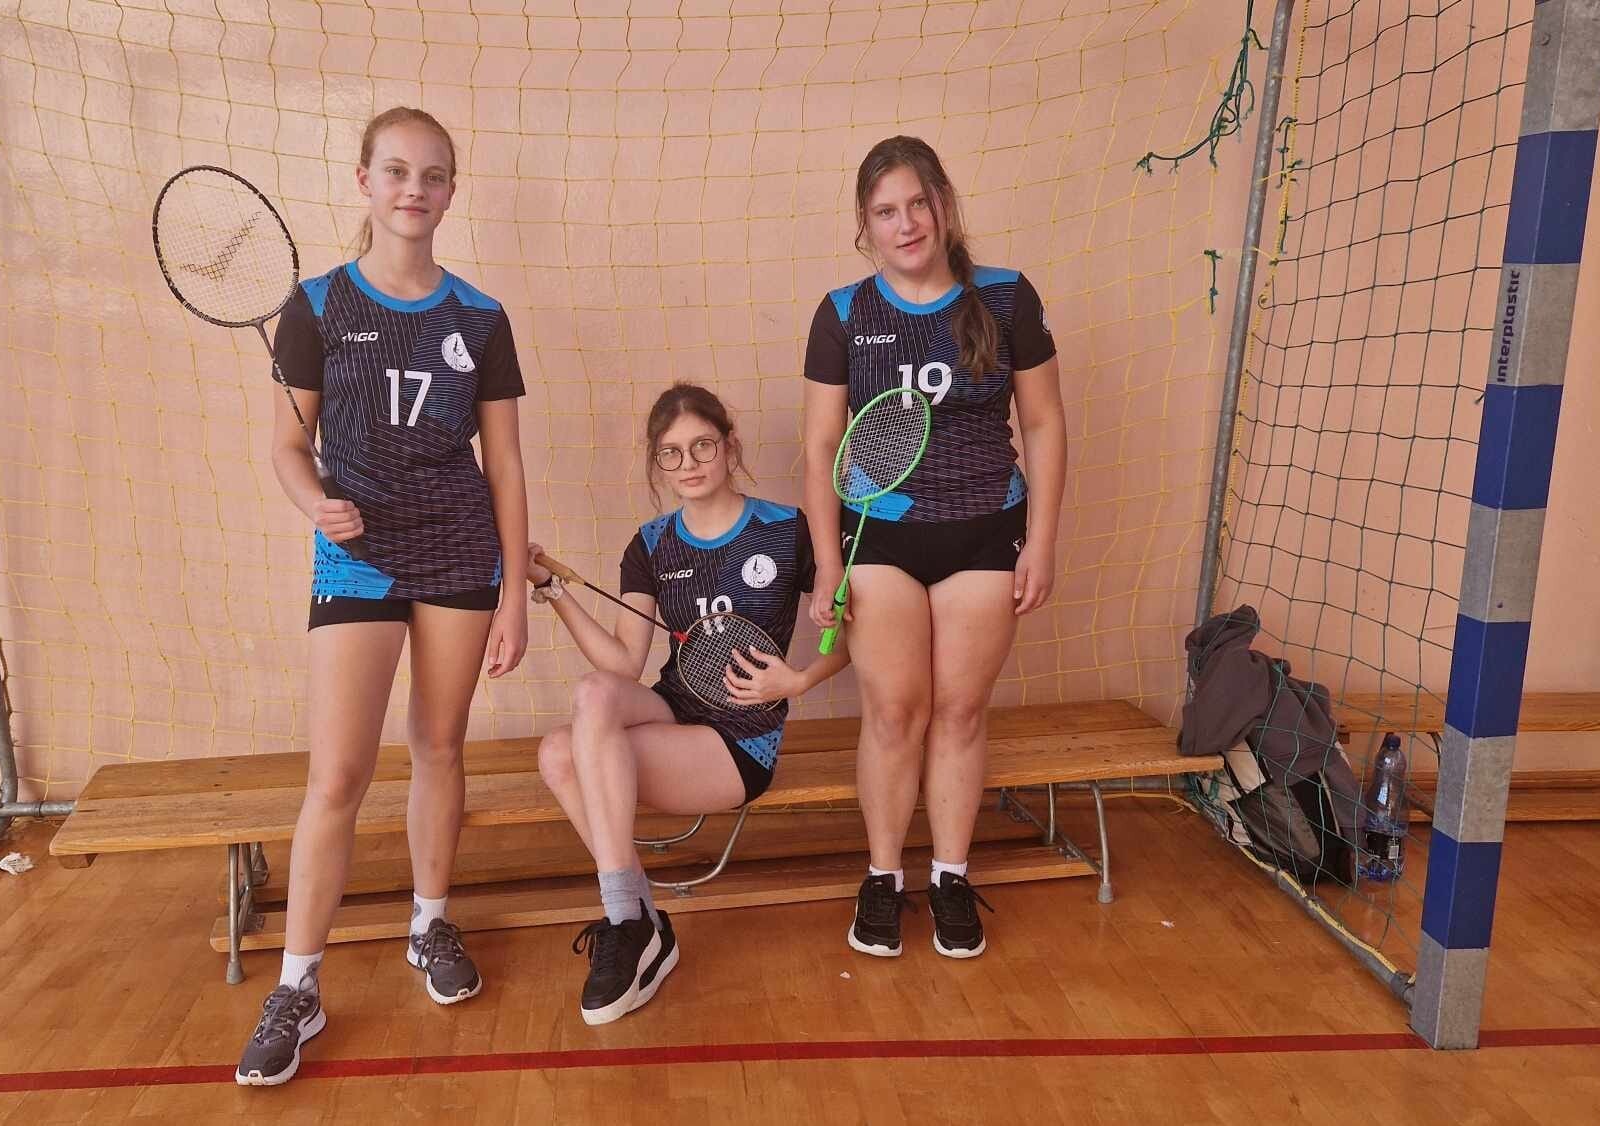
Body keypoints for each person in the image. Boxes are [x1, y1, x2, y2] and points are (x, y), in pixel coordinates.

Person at [235, 106, 531, 1086]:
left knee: (439, 746)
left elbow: (505, 463)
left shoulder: (480, 318)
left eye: (433, 174)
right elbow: (288, 445)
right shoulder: (316, 304)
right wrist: (314, 503)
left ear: (450, 192)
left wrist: (513, 594)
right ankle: (298, 985)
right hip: (356, 557)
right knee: (337, 775)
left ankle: (428, 923)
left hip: (459, 555)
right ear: (365, 180)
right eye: (397, 170)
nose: (415, 188)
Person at [801, 135, 1066, 960]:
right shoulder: (844, 314)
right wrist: (825, 561)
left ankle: (950, 875)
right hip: (880, 538)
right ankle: (883, 878)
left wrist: (1042, 541)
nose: (906, 223)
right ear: (866, 225)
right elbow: (820, 447)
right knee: (893, 712)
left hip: (986, 532)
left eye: (918, 203)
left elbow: (1045, 424)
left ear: (944, 205)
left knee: (959, 710)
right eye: (886, 211)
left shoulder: (1007, 298)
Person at [529, 383, 849, 1024]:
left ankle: (633, 924)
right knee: (573, 724)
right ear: (658, 463)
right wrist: (555, 590)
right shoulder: (650, 545)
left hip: (740, 740)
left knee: (569, 756)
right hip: (673, 710)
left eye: (702, 445)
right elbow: (624, 665)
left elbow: (856, 633)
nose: (689, 463)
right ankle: (631, 916)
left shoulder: (788, 530)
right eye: (671, 453)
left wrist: (799, 681)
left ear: (729, 445)